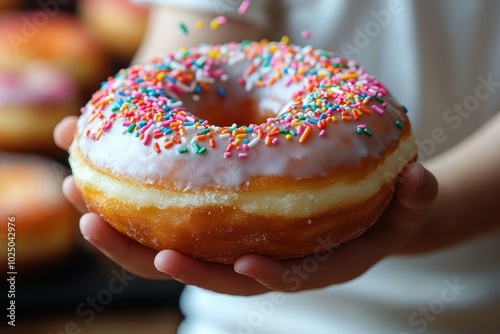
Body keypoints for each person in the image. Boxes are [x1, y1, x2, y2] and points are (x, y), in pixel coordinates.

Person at [54, 0, 500, 332]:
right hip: (235, 319)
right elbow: (201, 28)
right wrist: (144, 160)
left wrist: (423, 219)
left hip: (471, 305)